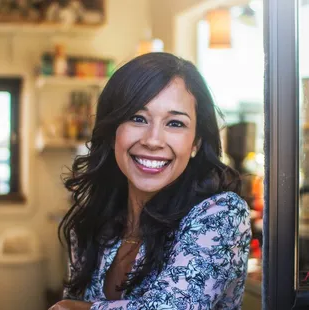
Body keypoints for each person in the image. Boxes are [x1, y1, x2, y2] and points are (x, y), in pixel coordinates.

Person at [49, 52, 252, 310]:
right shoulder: (95, 222)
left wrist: (73, 308)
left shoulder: (222, 214)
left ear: (196, 143)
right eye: (138, 118)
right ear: (113, 133)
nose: (153, 140)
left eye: (175, 123)